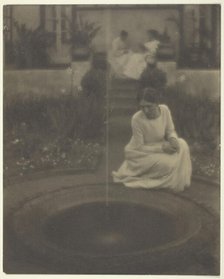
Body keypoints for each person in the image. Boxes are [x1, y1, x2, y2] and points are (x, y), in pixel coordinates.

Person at [112, 87, 192, 191]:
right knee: (168, 165)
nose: (145, 110)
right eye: (142, 107)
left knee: (183, 144)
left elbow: (170, 130)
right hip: (140, 153)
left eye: (149, 106)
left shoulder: (165, 110)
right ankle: (166, 178)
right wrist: (162, 149)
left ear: (157, 103)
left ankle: (176, 177)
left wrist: (173, 139)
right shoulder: (136, 119)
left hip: (160, 146)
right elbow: (139, 147)